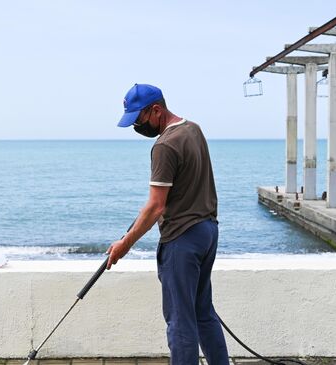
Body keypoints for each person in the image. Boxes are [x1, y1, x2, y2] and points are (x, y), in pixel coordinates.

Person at [107, 84, 229, 364]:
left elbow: (156, 206)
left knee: (180, 321)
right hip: (207, 232)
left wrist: (125, 244)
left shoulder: (164, 145)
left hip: (182, 239)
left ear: (156, 110)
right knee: (203, 313)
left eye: (139, 118)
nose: (137, 125)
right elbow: (179, 189)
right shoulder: (193, 130)